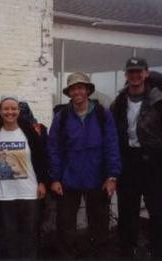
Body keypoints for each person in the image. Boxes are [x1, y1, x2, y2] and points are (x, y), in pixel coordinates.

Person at [47, 72, 121, 258]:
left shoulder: (102, 114)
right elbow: (53, 148)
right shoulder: (61, 117)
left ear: (88, 90)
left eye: (81, 87)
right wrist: (55, 178)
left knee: (99, 224)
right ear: (69, 92)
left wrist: (112, 176)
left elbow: (112, 144)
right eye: (73, 88)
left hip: (98, 178)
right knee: (65, 225)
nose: (77, 91)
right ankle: (68, 256)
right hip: (68, 179)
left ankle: (97, 256)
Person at [111, 57, 162, 258]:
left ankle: (159, 253)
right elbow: (113, 132)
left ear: (147, 73)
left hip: (154, 162)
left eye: (139, 71)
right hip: (128, 163)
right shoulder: (119, 101)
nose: (135, 75)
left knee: (158, 213)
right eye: (131, 72)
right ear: (126, 75)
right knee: (127, 212)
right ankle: (127, 252)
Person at [0, 95, 49, 259]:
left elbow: (41, 158)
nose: (10, 112)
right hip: (6, 194)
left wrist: (42, 182)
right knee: (9, 235)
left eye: (13, 108)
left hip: (29, 192)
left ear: (19, 111)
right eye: (6, 109)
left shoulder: (29, 133)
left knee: (29, 234)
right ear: (0, 111)